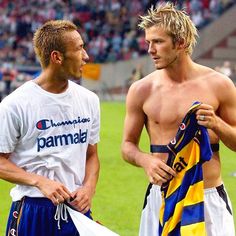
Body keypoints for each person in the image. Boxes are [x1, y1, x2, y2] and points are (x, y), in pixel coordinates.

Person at [121, 3, 236, 236]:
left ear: (181, 43)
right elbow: (127, 145)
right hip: (160, 197)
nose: (150, 49)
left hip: (208, 198)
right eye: (148, 42)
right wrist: (145, 160)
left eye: (158, 42)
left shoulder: (219, 85)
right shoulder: (141, 89)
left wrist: (216, 124)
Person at [0, 20, 100, 236]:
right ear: (57, 57)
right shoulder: (15, 104)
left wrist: (88, 188)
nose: (86, 56)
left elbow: (91, 155)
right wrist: (39, 181)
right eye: (79, 48)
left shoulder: (89, 100)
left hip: (75, 209)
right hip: (32, 210)